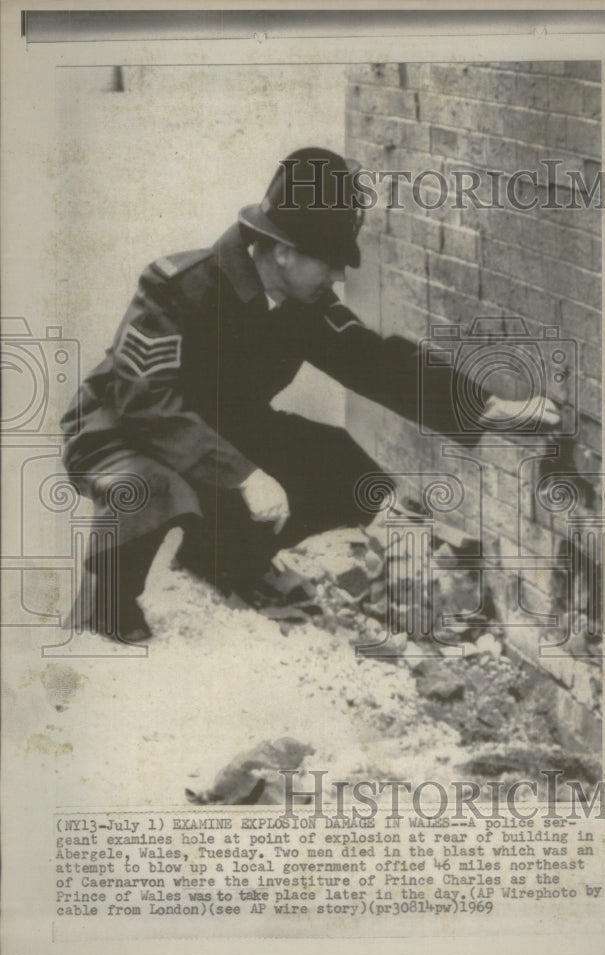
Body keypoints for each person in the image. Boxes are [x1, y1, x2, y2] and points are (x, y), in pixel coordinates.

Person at [60, 147, 559, 644]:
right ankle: (107, 601)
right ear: (284, 252)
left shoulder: (302, 300)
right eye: (331, 262)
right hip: (121, 432)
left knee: (338, 463)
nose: (339, 277)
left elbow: (370, 359)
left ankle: (227, 562)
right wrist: (246, 475)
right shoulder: (177, 287)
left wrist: (483, 406)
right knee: (148, 485)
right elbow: (145, 404)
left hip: (218, 432)